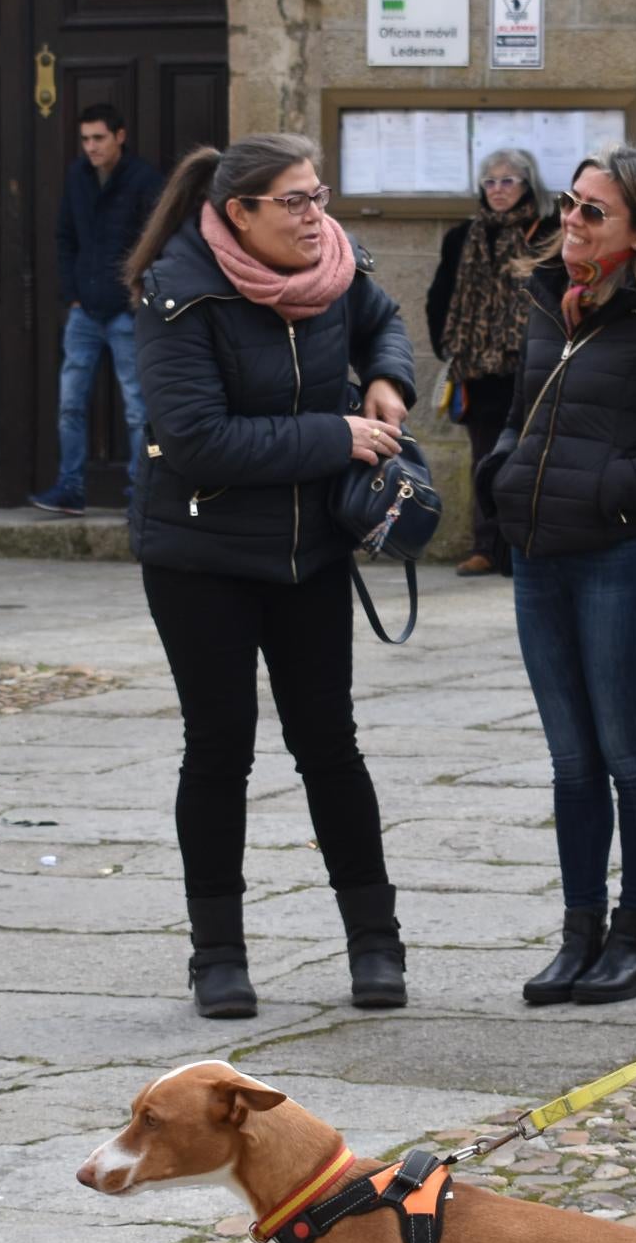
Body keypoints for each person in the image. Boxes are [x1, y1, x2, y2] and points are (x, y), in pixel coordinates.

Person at [124, 132, 418, 1020]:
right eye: (292, 201)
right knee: (219, 750)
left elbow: (384, 320)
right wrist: (339, 436)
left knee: (330, 744)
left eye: (318, 195)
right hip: (202, 554)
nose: (313, 215)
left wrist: (387, 382)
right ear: (236, 213)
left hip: (310, 553)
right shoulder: (177, 292)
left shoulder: (334, 266)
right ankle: (217, 955)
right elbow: (196, 436)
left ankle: (376, 943)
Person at [481, 145, 636, 1007]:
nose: (572, 220)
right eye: (570, 203)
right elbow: (523, 415)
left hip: (625, 559)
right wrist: (504, 472)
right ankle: (578, 932)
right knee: (571, 761)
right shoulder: (552, 303)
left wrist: (609, 488)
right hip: (541, 556)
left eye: (594, 212)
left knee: (631, 754)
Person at [423, 147, 557, 575]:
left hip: (530, 364)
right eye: (490, 182)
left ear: (527, 184)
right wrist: (453, 348)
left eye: (508, 181)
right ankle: (486, 546)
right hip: (478, 370)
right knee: (485, 459)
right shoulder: (463, 236)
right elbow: (439, 297)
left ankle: (526, 546)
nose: (498, 190)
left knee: (531, 457)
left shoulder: (548, 232)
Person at [33, 104, 165, 516]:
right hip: (84, 312)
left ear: (119, 136)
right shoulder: (77, 177)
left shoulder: (144, 180)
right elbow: (65, 236)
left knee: (136, 407)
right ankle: (70, 488)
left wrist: (140, 294)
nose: (91, 147)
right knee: (70, 402)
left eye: (99, 138)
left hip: (126, 312)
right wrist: (72, 293)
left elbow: (158, 241)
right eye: (86, 139)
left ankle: (141, 491)